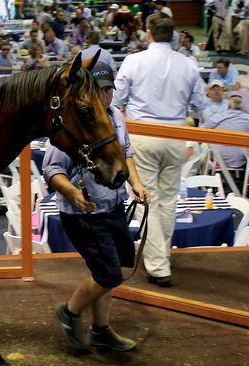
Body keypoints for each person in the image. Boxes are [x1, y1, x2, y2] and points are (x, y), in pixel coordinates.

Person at [44, 62, 149, 354]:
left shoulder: (116, 117)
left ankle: (101, 330)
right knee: (108, 275)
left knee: (110, 270)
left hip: (113, 205)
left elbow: (125, 153)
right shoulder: (77, 121)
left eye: (109, 90)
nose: (106, 96)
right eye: (100, 90)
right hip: (84, 214)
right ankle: (70, 311)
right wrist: (74, 193)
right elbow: (51, 170)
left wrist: (136, 184)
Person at [113, 12, 208, 287]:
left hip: (144, 135)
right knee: (167, 200)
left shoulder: (134, 60)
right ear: (173, 35)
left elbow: (117, 99)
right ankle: (160, 255)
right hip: (176, 135)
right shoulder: (188, 64)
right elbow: (200, 105)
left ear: (148, 32)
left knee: (147, 200)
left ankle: (158, 265)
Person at [200, 93, 249, 180]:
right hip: (241, 159)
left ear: (228, 106)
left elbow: (201, 130)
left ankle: (204, 179)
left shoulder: (217, 117)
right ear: (243, 107)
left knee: (204, 147)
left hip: (218, 158)